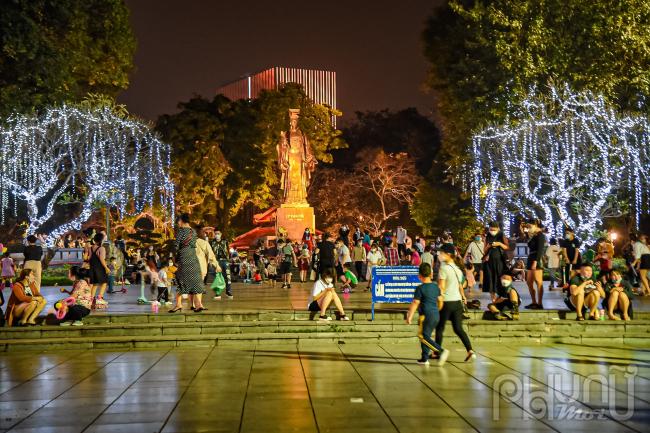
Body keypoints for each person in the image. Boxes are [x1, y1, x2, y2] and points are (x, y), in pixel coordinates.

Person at [434, 244, 476, 362]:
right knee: (458, 328)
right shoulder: (458, 269)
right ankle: (470, 350)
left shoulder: (444, 268)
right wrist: (463, 297)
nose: (440, 255)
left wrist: (438, 300)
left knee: (440, 327)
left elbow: (441, 287)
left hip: (446, 302)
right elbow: (461, 286)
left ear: (448, 254)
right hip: (457, 302)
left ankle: (437, 352)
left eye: (441, 253)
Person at [405, 263, 449, 366]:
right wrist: (437, 309)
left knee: (423, 336)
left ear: (419, 276)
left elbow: (415, 303)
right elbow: (440, 300)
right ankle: (424, 358)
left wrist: (409, 316)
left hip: (425, 316)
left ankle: (440, 351)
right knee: (427, 335)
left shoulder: (420, 288)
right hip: (435, 314)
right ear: (431, 274)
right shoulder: (436, 287)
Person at [169, 214, 205, 313]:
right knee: (194, 281)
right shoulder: (193, 231)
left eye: (178, 221)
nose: (178, 223)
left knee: (181, 280)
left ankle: (179, 304)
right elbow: (193, 244)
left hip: (184, 258)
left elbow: (176, 246)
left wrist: (173, 258)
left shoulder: (181, 231)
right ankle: (198, 305)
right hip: (193, 258)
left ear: (181, 221)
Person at [482, 222, 509, 300]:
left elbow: (507, 247)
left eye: (494, 229)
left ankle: (500, 298)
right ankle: (493, 299)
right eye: (490, 229)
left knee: (499, 278)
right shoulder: (488, 236)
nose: (492, 231)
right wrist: (488, 246)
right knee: (490, 279)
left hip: (499, 261)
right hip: (489, 261)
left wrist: (499, 244)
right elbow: (484, 250)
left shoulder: (501, 235)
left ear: (497, 228)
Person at [524, 219, 546, 310]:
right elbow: (529, 245)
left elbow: (540, 250)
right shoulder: (533, 235)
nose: (528, 228)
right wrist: (528, 235)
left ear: (535, 225)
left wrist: (536, 262)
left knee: (538, 281)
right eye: (528, 227)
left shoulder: (540, 235)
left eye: (530, 226)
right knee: (529, 281)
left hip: (536, 259)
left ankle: (540, 303)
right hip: (531, 257)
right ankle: (534, 302)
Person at [210, 230, 233, 299]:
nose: (217, 235)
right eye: (216, 234)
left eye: (218, 234)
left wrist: (229, 259)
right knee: (217, 277)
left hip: (225, 261)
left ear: (221, 234)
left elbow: (228, 250)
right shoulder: (212, 242)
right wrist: (211, 261)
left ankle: (228, 291)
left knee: (228, 276)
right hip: (216, 261)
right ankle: (218, 293)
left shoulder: (225, 241)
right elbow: (211, 252)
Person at [88, 233, 110, 302]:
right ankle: (100, 297)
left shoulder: (90, 248)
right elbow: (102, 259)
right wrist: (106, 268)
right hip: (99, 268)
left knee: (95, 284)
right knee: (104, 283)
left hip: (92, 268)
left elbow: (89, 258)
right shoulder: (102, 248)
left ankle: (91, 298)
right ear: (101, 240)